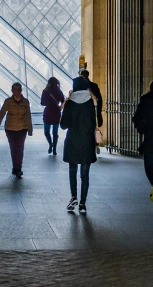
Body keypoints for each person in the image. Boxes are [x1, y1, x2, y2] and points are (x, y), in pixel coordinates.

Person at [60, 76, 101, 213]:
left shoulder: (70, 103)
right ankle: (83, 203)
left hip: (72, 140)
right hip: (87, 141)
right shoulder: (91, 103)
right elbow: (94, 123)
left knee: (73, 170)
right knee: (85, 173)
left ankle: (73, 197)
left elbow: (63, 125)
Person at [0, 83, 34, 177]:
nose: (17, 91)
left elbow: (28, 115)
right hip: (10, 128)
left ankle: (18, 168)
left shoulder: (25, 102)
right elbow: (1, 114)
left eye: (18, 89)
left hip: (22, 128)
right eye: (15, 89)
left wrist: (30, 129)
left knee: (20, 148)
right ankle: (15, 166)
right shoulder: (8, 102)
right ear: (12, 90)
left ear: (21, 90)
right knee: (13, 148)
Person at [80, 69, 104, 154]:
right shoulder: (94, 85)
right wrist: (99, 113)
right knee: (93, 128)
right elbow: (100, 100)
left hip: (83, 113)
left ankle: (86, 145)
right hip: (93, 112)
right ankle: (95, 144)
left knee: (84, 130)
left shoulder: (79, 87)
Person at [40, 77, 64, 155]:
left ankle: (50, 144)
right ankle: (55, 150)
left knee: (46, 131)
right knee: (55, 132)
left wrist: (48, 103)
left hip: (48, 112)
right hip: (56, 112)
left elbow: (42, 103)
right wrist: (60, 106)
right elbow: (63, 101)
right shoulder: (58, 91)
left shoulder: (45, 91)